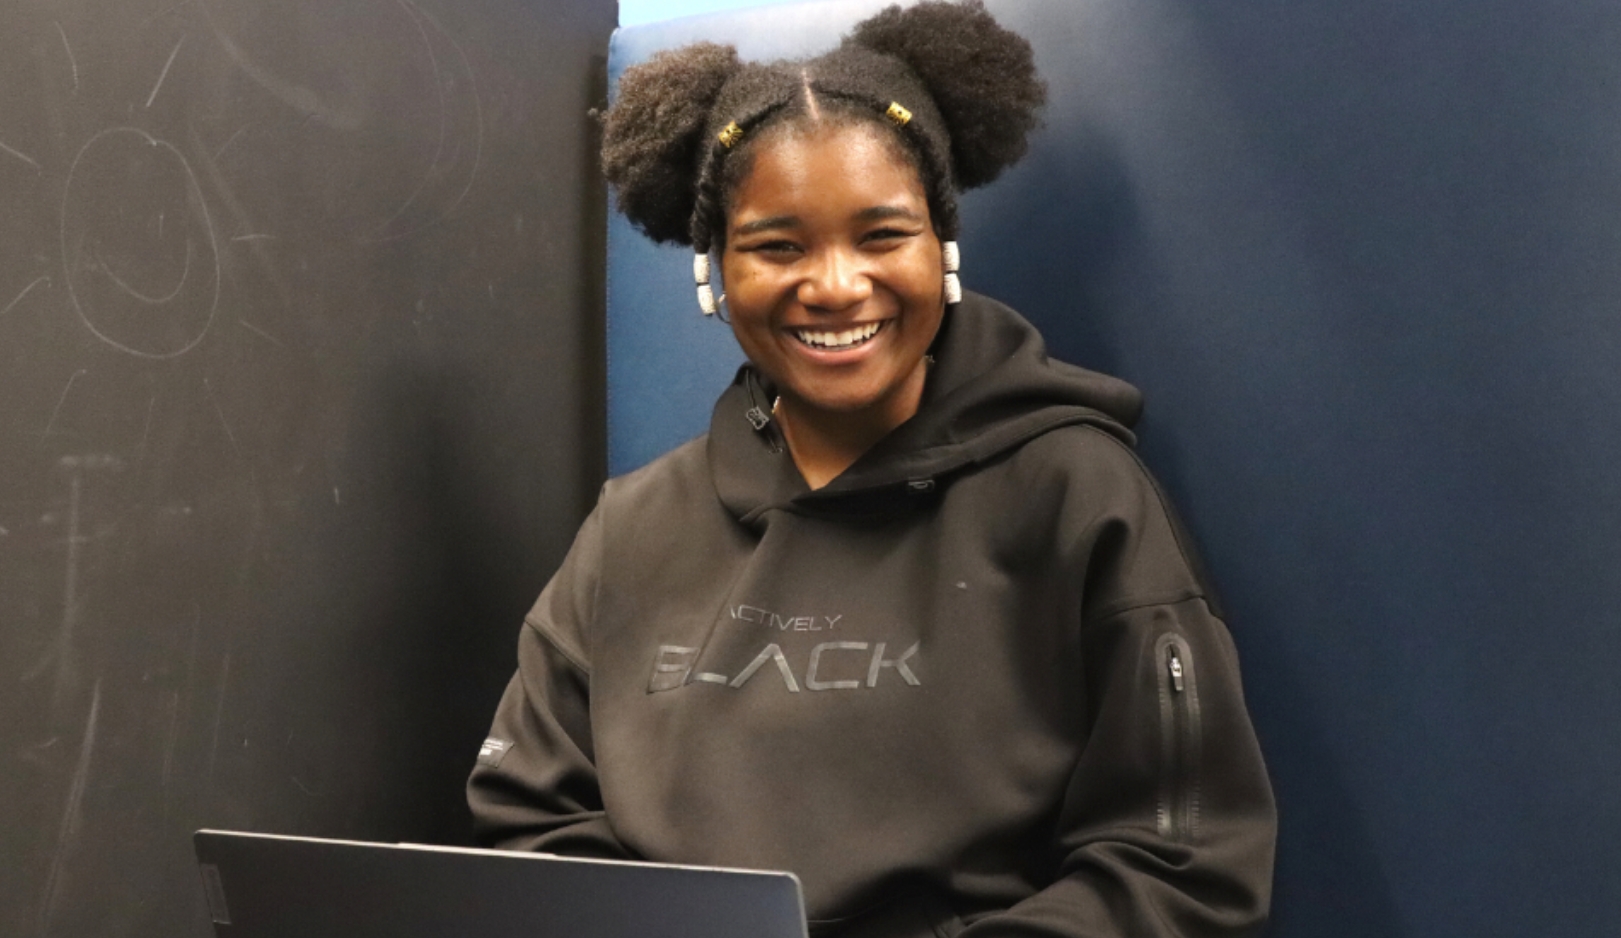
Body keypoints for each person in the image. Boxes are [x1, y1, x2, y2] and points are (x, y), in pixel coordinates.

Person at [468, 2, 1277, 935]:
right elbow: (531, 828)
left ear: (943, 250)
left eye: (883, 236)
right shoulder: (633, 527)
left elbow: (1184, 863)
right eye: (778, 246)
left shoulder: (1074, 493)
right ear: (716, 275)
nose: (837, 285)